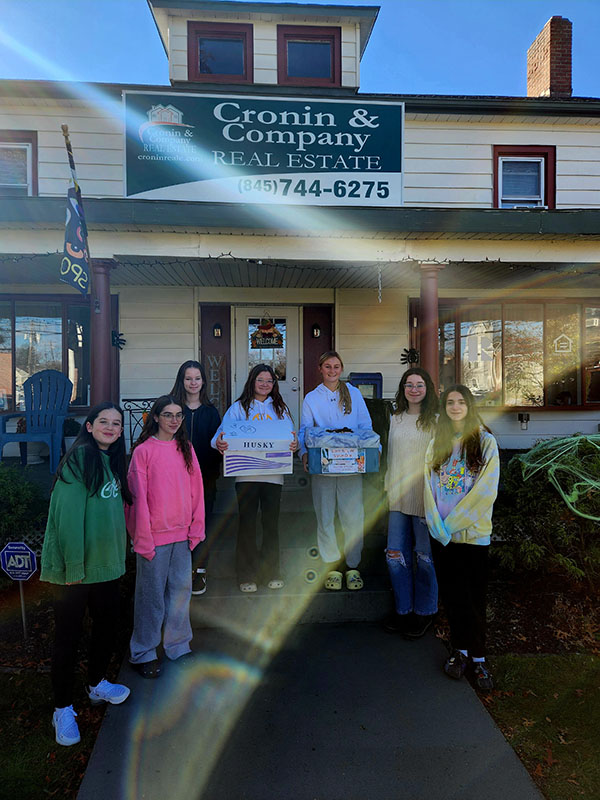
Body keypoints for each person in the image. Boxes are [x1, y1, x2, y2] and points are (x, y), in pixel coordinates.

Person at [40, 402, 132, 747]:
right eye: (103, 422)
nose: (110, 427)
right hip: (75, 571)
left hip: (106, 566)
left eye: (116, 423)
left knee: (106, 629)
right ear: (89, 426)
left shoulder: (112, 462)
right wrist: (74, 567)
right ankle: (62, 708)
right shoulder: (80, 459)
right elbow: (66, 517)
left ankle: (97, 684)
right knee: (68, 638)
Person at [424, 384, 500, 690]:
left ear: (469, 405)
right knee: (454, 598)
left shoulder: (485, 441)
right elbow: (428, 487)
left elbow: (485, 492)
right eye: (450, 403)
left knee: (474, 599)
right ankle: (461, 652)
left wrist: (452, 523)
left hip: (471, 537)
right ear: (444, 408)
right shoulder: (437, 443)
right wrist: (437, 526)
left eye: (460, 402)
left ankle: (479, 660)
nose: (455, 407)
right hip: (443, 538)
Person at [126, 395, 204, 678]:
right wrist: (142, 537)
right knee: (151, 597)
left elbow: (197, 490)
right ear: (155, 417)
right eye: (168, 415)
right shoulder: (143, 452)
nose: (174, 420)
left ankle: (178, 645)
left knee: (180, 593)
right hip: (153, 538)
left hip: (182, 535)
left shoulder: (186, 449)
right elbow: (137, 498)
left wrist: (196, 528)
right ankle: (143, 651)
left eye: (178, 415)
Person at [211, 364, 297, 593]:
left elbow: (291, 437)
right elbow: (218, 437)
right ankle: (246, 574)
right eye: (261, 380)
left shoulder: (280, 409)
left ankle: (271, 572)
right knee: (247, 524)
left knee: (271, 525)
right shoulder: (239, 408)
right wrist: (219, 443)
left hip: (273, 476)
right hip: (245, 475)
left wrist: (294, 445)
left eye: (270, 381)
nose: (265, 385)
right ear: (252, 381)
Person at [298, 351, 373, 591]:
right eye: (327, 366)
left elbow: (365, 426)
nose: (332, 370)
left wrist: (375, 448)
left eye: (336, 366)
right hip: (323, 466)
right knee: (325, 516)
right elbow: (305, 430)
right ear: (320, 369)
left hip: (351, 465)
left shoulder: (353, 393)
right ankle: (331, 564)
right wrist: (304, 452)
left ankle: (352, 566)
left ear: (341, 369)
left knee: (353, 516)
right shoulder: (311, 398)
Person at [384, 367, 439, 638]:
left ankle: (425, 612)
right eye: (409, 385)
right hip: (397, 496)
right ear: (402, 389)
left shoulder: (437, 421)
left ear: (427, 389)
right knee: (395, 555)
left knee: (424, 558)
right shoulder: (395, 418)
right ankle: (403, 609)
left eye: (419, 385)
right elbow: (391, 456)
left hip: (425, 499)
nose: (414, 389)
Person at [170, 360, 221, 596]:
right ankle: (180, 571)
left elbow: (217, 447)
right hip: (174, 480)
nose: (193, 383)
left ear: (203, 381)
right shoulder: (171, 410)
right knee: (178, 524)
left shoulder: (211, 413)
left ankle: (200, 570)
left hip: (204, 479)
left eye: (197, 378)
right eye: (188, 378)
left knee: (203, 524)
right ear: (181, 381)